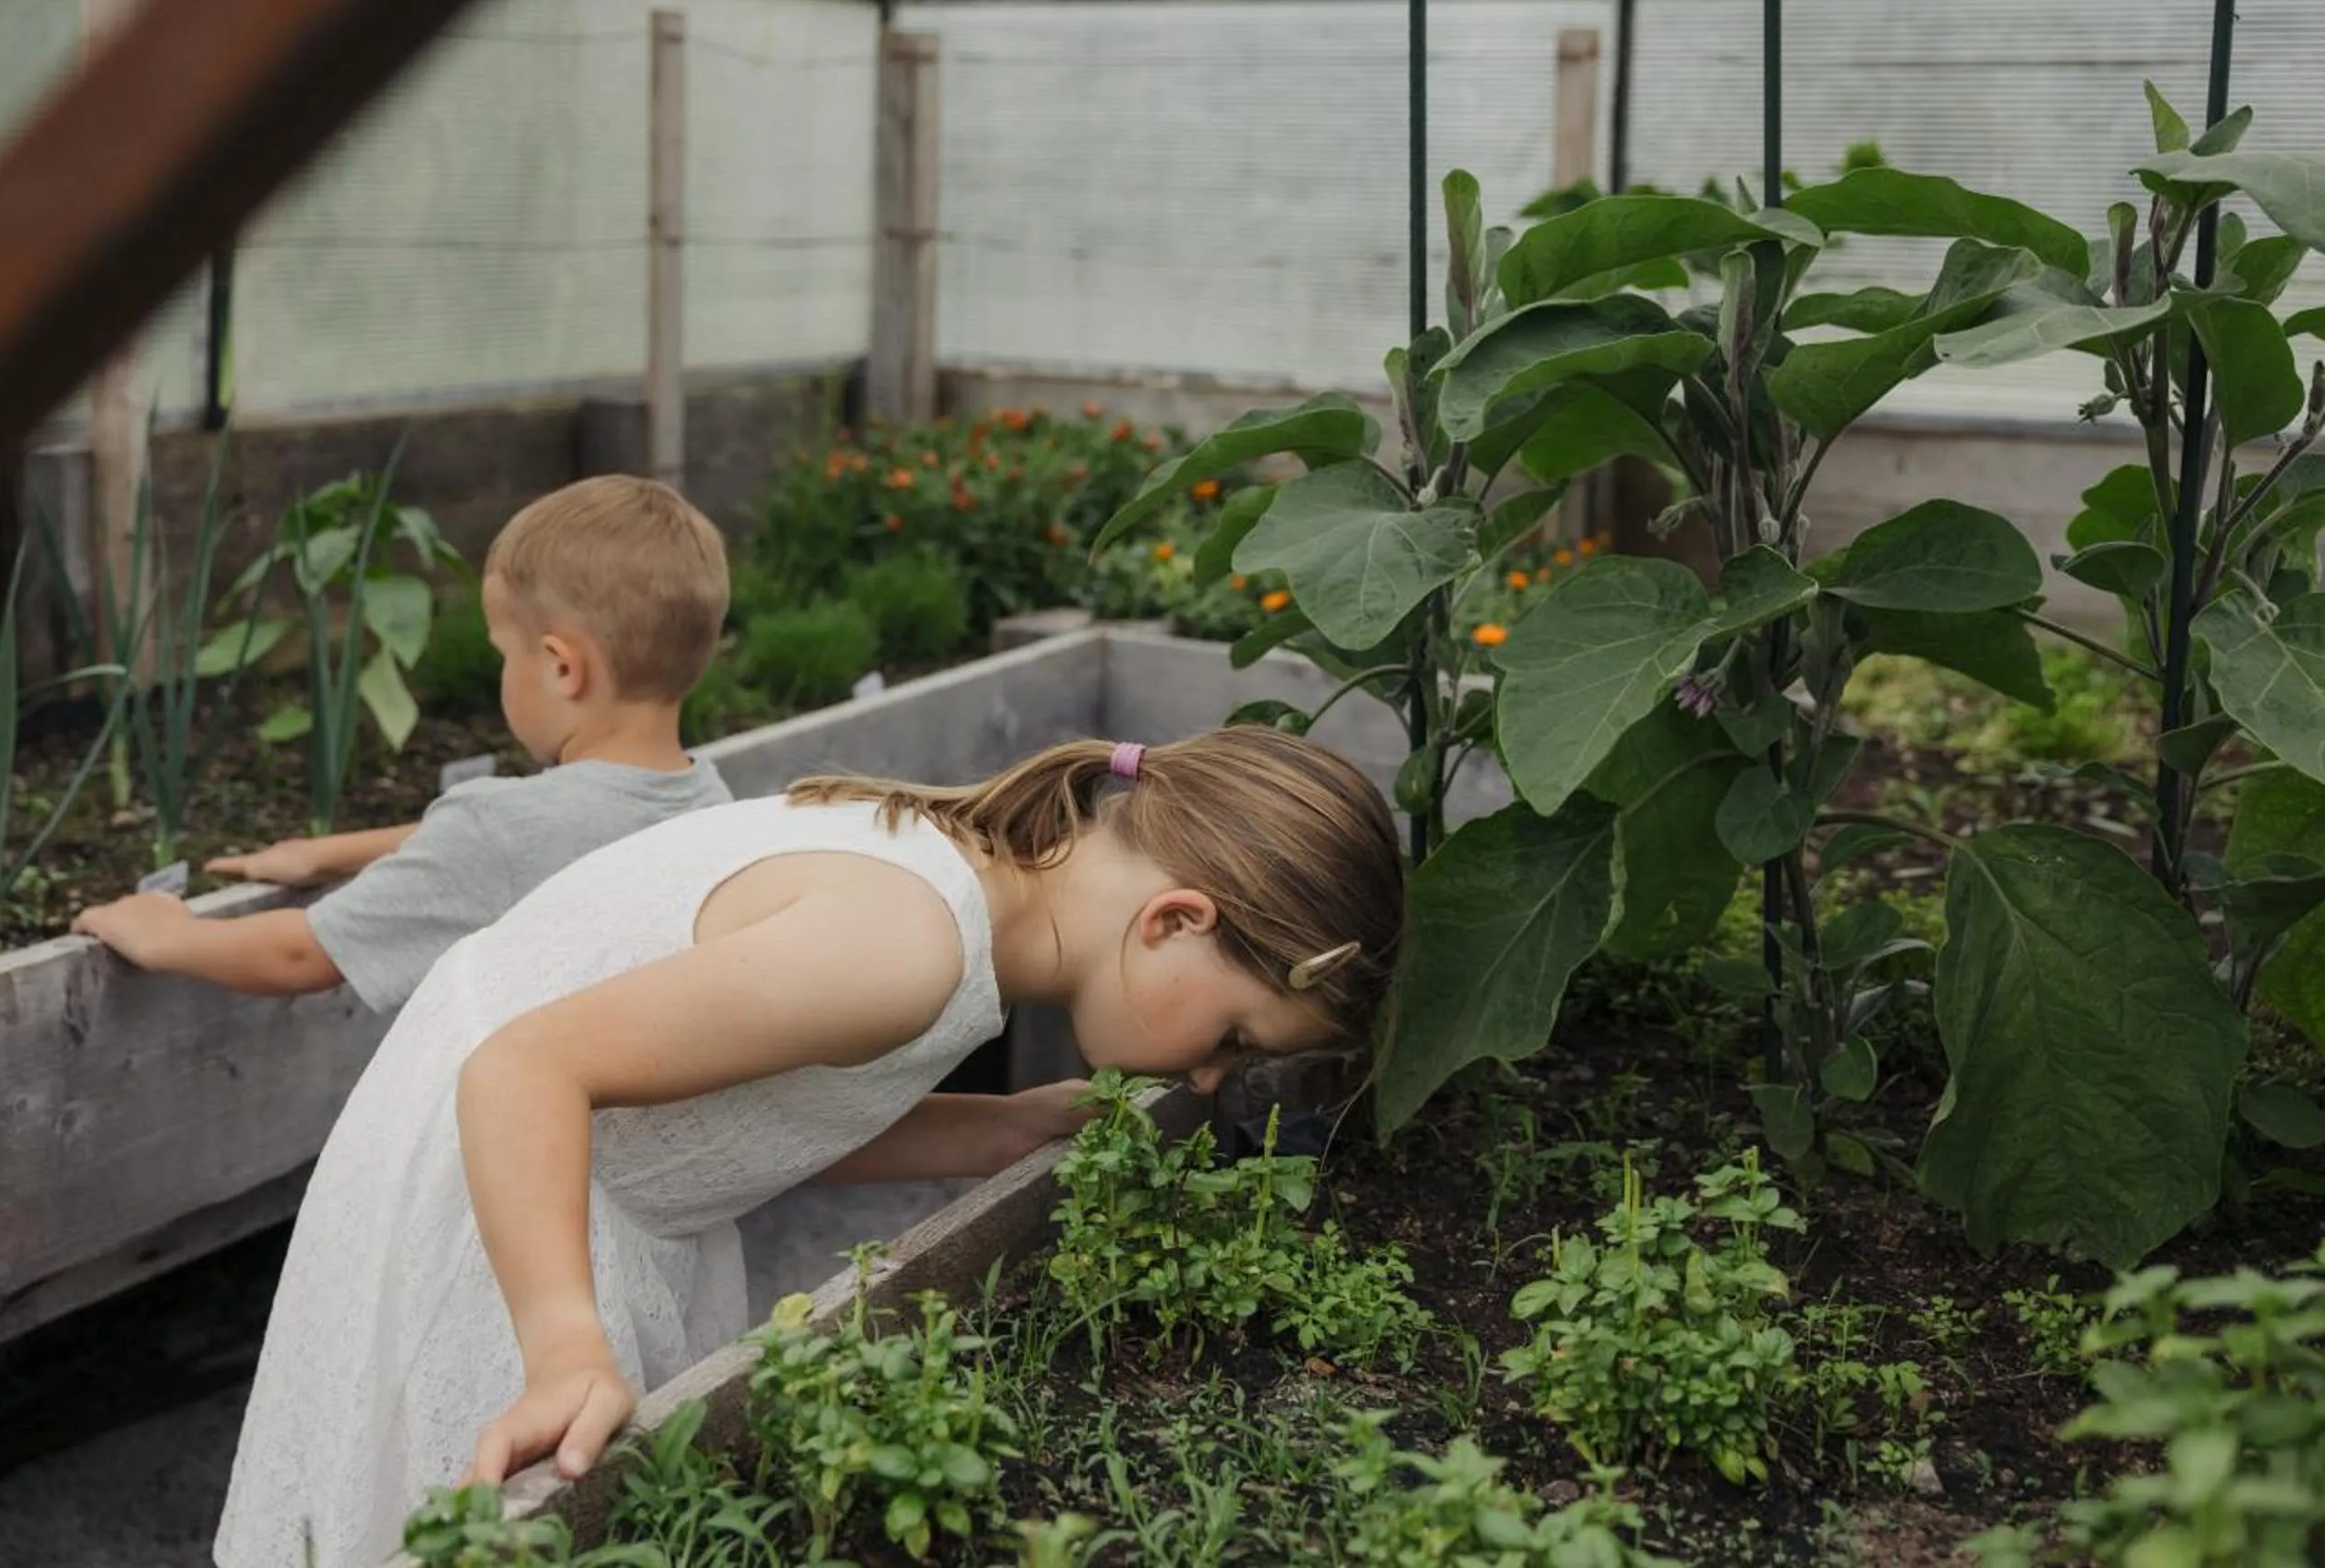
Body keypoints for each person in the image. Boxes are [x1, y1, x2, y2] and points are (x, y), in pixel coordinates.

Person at [214, 725, 1404, 1568]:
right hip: (507, 1184)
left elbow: (765, 1108)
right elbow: (523, 1068)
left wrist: (1001, 1128)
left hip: (581, 1162)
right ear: (1175, 920)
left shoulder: (971, 889)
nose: (1204, 1079)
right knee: (465, 1515)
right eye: (1235, 1037)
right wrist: (566, 1345)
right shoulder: (907, 949)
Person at [72, 476, 734, 1013]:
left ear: (563, 668)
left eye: (502, 651)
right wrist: (326, 854)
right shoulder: (707, 797)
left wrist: (170, 935)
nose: (501, 670)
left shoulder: (500, 826)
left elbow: (300, 955)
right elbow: (525, 840)